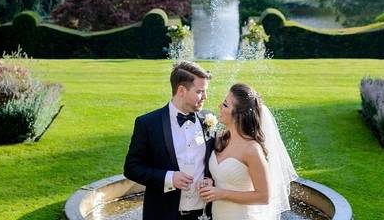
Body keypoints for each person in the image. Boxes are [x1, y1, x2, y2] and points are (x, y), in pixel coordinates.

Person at [125, 61, 216, 220]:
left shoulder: (207, 119)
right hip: (164, 214)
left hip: (204, 214)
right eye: (200, 91)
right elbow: (131, 168)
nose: (205, 97)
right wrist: (169, 178)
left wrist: (211, 180)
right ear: (181, 90)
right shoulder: (148, 124)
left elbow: (216, 160)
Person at [198, 84, 297, 220]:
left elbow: (264, 197)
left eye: (226, 105)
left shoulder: (252, 149)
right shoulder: (220, 137)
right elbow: (221, 177)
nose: (220, 106)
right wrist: (210, 182)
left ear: (239, 115)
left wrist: (222, 194)